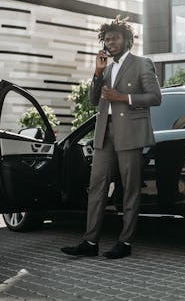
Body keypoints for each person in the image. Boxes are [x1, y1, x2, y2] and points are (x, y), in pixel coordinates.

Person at [61, 16, 162, 259]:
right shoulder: (104, 67)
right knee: (97, 187)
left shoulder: (142, 64)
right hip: (104, 135)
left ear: (127, 40)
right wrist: (97, 72)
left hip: (130, 134)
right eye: (107, 39)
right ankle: (90, 242)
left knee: (130, 190)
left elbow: (155, 97)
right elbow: (93, 101)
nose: (110, 42)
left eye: (115, 38)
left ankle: (125, 243)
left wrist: (123, 98)